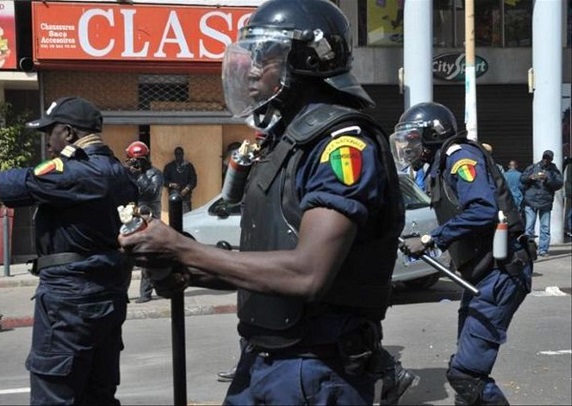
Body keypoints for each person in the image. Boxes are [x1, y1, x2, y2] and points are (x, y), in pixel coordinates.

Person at [119, 1, 413, 404]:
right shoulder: (283, 142)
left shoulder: (341, 144)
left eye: (267, 57)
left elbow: (307, 273)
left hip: (314, 368)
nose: (253, 69)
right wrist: (185, 269)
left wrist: (181, 246)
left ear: (310, 58)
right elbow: (264, 265)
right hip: (264, 359)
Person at [0, 96, 138, 405]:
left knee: (55, 395)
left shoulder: (72, 173)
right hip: (108, 294)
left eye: (49, 133)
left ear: (68, 133)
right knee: (98, 394)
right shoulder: (119, 172)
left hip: (69, 300)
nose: (48, 144)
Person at [395, 102, 533, 405]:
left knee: (467, 375)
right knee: (467, 377)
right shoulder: (442, 164)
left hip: (502, 272)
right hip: (484, 273)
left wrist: (432, 238)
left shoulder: (461, 157)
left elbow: (483, 209)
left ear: (432, 136)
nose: (407, 147)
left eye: (412, 140)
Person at [125, 140, 164, 303]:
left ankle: (146, 293)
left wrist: (138, 175)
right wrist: (128, 173)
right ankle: (122, 292)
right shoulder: (129, 173)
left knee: (148, 256)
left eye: (141, 160)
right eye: (135, 160)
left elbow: (152, 193)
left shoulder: (155, 174)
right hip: (131, 219)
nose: (138, 163)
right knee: (126, 257)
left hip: (150, 219)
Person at [520, 150, 564, 257]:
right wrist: (530, 178)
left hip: (546, 201)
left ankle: (543, 250)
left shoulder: (554, 171)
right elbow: (522, 178)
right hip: (531, 200)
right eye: (545, 157)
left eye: (548, 158)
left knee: (545, 227)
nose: (546, 160)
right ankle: (528, 249)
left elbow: (558, 184)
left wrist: (547, 179)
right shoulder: (533, 167)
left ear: (551, 159)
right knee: (529, 227)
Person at [163, 146, 197, 213]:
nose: (178, 156)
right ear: (175, 155)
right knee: (174, 217)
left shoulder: (189, 166)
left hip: (186, 197)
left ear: (183, 154)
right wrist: (171, 185)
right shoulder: (169, 167)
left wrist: (187, 189)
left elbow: (194, 180)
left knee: (187, 217)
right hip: (173, 197)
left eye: (180, 154)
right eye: (177, 154)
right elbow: (163, 180)